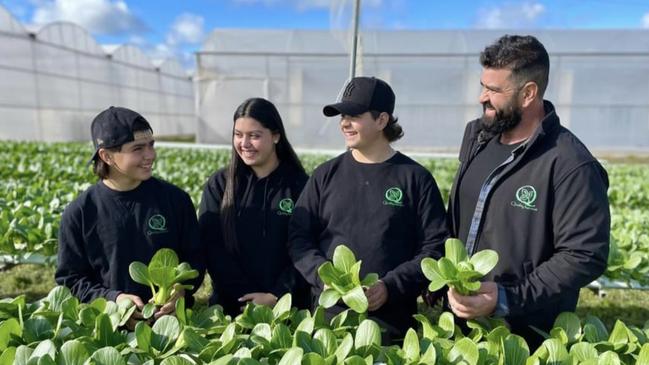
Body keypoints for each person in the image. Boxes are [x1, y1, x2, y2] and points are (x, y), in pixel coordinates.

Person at [445, 35, 610, 347]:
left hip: (522, 335)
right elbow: (461, 215)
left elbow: (585, 254)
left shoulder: (571, 164)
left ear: (528, 94)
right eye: (483, 85)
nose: (482, 97)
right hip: (457, 326)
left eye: (494, 90)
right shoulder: (477, 136)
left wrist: (507, 297)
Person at [288, 76, 449, 342]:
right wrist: (323, 276)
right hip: (329, 327)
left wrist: (390, 286)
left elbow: (434, 247)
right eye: (342, 116)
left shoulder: (414, 179)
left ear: (382, 120)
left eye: (354, 115)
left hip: (391, 327)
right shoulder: (325, 175)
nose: (344, 123)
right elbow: (299, 238)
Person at [55, 106, 205, 326]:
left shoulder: (175, 200)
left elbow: (195, 258)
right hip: (110, 328)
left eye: (151, 145)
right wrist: (112, 300)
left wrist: (180, 291)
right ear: (106, 156)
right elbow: (71, 279)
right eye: (138, 149)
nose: (150, 155)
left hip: (174, 326)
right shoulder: (80, 213)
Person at [199, 97, 310, 315]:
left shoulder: (300, 185)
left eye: (255, 136)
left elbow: (307, 247)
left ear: (276, 136)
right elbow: (212, 247)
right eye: (238, 135)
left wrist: (278, 295)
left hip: (287, 308)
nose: (245, 143)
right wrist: (244, 296)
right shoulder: (220, 184)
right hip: (229, 307)